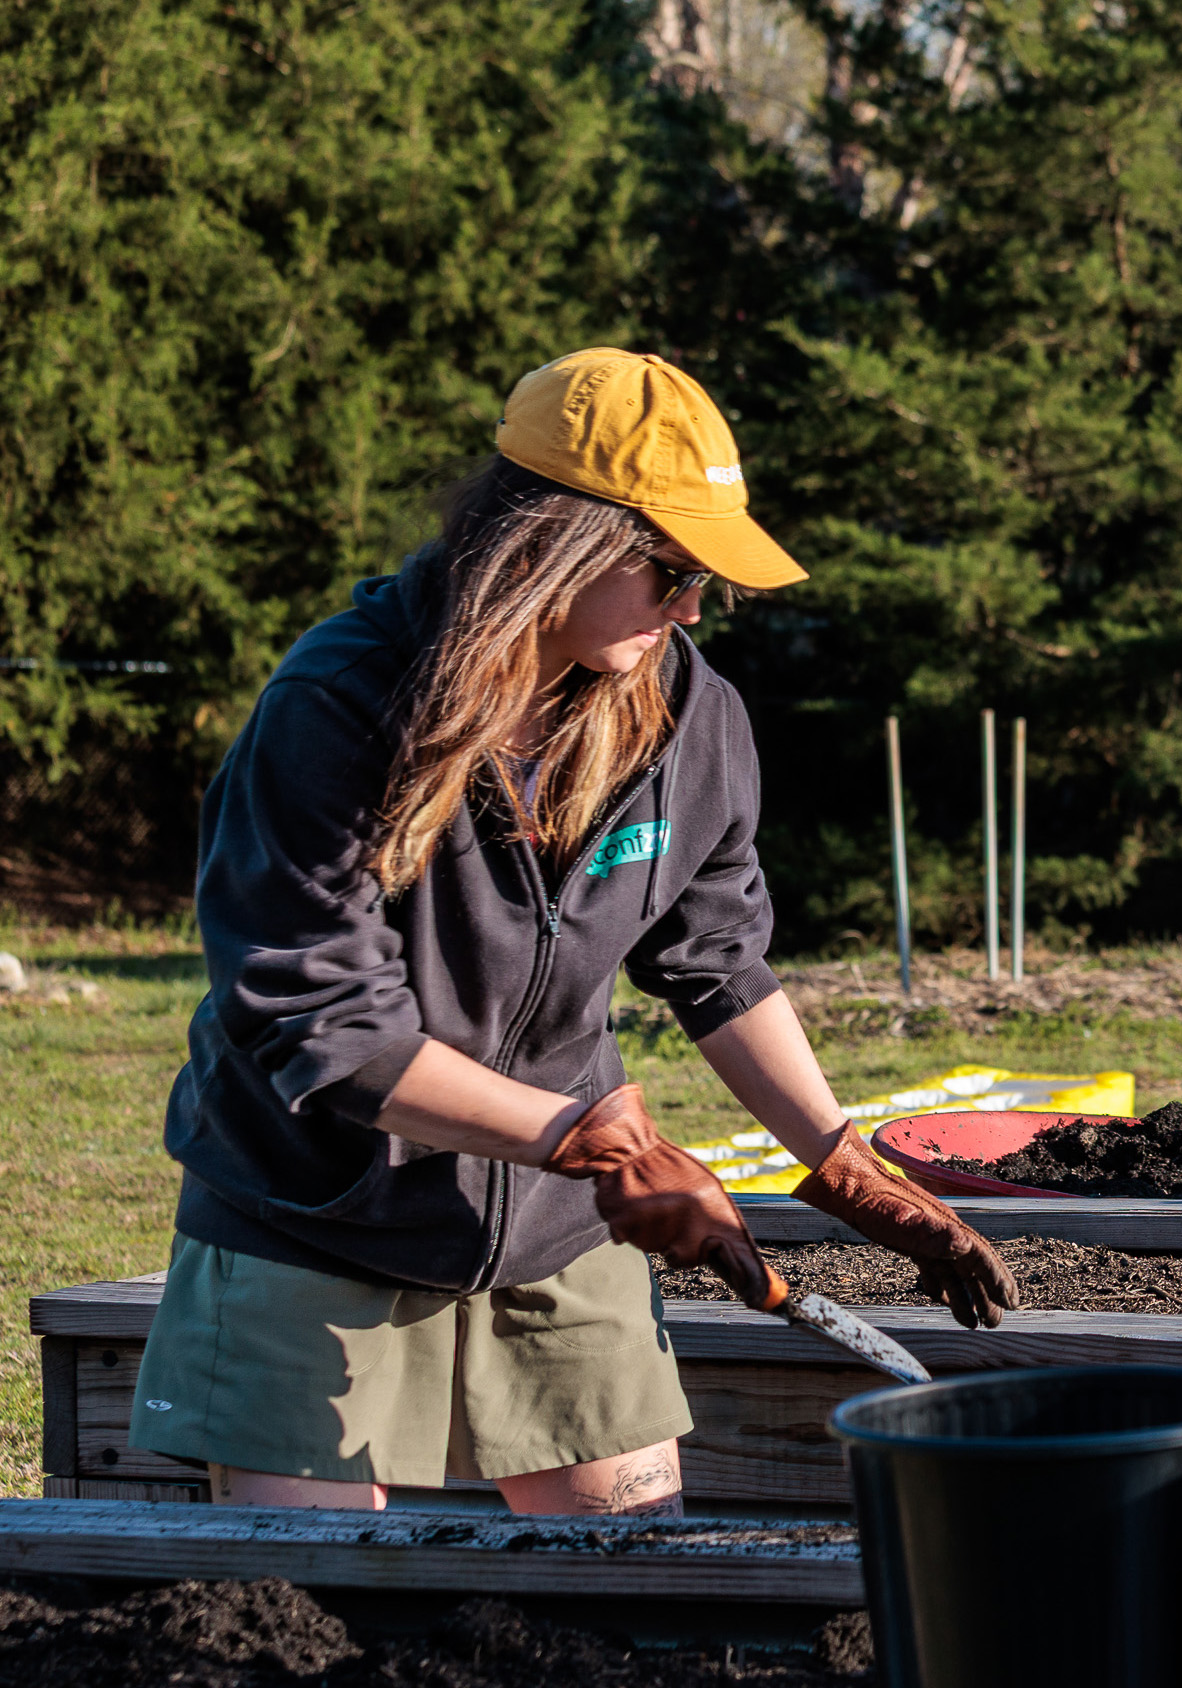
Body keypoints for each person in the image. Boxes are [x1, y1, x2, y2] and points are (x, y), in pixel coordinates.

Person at [129, 349, 1017, 1516]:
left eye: (713, 582)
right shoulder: (340, 708)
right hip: (320, 1216)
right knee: (308, 1608)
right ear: (554, 544)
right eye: (673, 572)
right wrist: (592, 1143)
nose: (694, 607)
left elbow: (716, 958)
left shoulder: (690, 712)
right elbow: (329, 1026)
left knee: (634, 1582)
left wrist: (841, 1159)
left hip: (555, 1228)